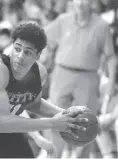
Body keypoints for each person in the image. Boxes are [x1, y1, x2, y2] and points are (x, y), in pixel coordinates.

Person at [0, 22, 89, 158]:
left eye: (27, 52)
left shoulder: (39, 74)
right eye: (17, 49)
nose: (20, 56)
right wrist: (52, 123)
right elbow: (1, 123)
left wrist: (68, 115)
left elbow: (33, 103)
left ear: (38, 56)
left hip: (6, 129)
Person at [43, 0, 117, 157]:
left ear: (91, 2)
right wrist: (42, 61)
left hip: (88, 77)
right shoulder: (63, 20)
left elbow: (111, 57)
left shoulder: (101, 25)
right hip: (62, 73)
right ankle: (54, 156)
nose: (81, 3)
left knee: (86, 123)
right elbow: (42, 39)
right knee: (57, 119)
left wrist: (111, 82)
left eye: (86, 0)